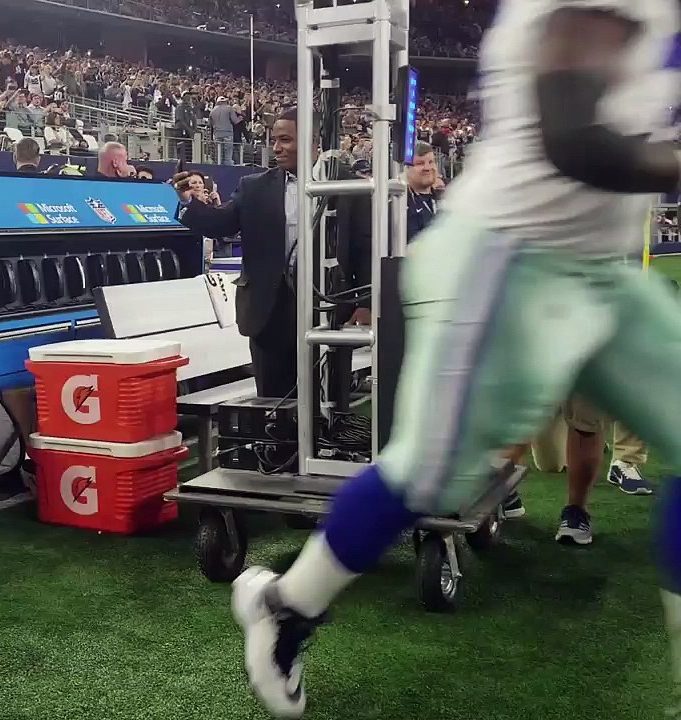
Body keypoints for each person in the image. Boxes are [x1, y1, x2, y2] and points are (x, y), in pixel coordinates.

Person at [231, 2, 681, 717]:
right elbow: (577, 142)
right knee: (430, 473)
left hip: (603, 269)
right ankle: (286, 607)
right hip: (507, 255)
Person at [173, 107, 372, 399]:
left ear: (313, 141)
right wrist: (188, 203)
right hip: (268, 313)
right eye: (275, 140)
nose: (276, 148)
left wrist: (363, 302)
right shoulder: (254, 187)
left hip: (326, 311)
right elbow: (221, 223)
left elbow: (363, 248)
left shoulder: (346, 185)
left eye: (285, 140)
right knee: (273, 403)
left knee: (327, 401)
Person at [405, 141, 442, 241]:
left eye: (431, 162)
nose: (427, 168)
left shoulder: (447, 200)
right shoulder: (399, 206)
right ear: (406, 168)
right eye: (420, 163)